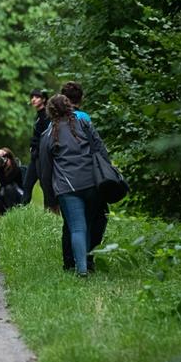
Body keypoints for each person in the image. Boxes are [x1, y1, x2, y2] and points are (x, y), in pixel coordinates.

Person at [38, 94, 111, 277]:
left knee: (77, 227)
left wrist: (50, 200)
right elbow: (101, 150)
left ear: (50, 112)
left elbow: (45, 172)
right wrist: (107, 176)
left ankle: (82, 270)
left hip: (67, 188)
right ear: (69, 107)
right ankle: (86, 262)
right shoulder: (84, 125)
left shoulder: (47, 135)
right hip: (92, 184)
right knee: (88, 223)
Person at [59, 80, 106, 271]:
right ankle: (87, 260)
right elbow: (97, 147)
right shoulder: (85, 118)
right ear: (81, 99)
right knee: (90, 220)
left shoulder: (58, 121)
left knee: (71, 223)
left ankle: (70, 262)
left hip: (67, 181)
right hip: (89, 178)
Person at [23, 88, 53, 208]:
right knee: (27, 183)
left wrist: (36, 147)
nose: (33, 99)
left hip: (43, 157)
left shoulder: (46, 116)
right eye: (32, 97)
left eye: (37, 97)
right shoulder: (39, 115)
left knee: (45, 185)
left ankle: (49, 214)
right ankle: (20, 213)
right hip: (35, 156)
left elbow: (47, 136)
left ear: (44, 99)